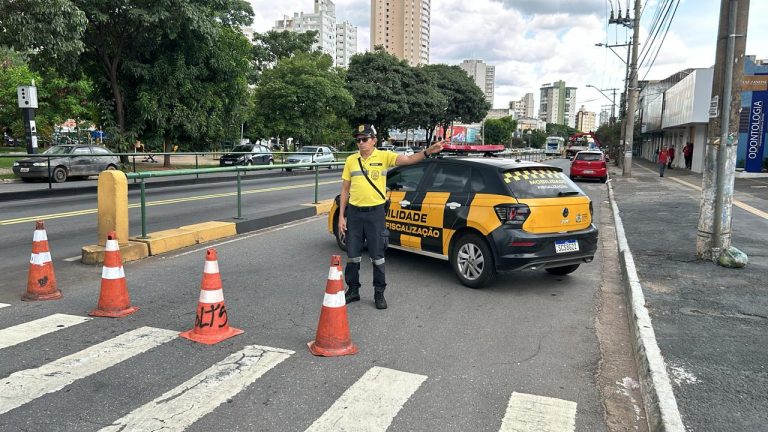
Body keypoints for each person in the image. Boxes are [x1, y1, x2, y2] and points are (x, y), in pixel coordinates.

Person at [339, 124, 444, 309]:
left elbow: (410, 160)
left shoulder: (384, 156)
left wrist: (428, 151)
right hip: (354, 213)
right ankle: (353, 290)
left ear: (374, 140)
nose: (361, 143)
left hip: (375, 214)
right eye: (358, 140)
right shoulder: (350, 160)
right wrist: (341, 216)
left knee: (377, 255)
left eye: (365, 139)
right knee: (353, 255)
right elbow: (345, 189)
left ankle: (379, 293)